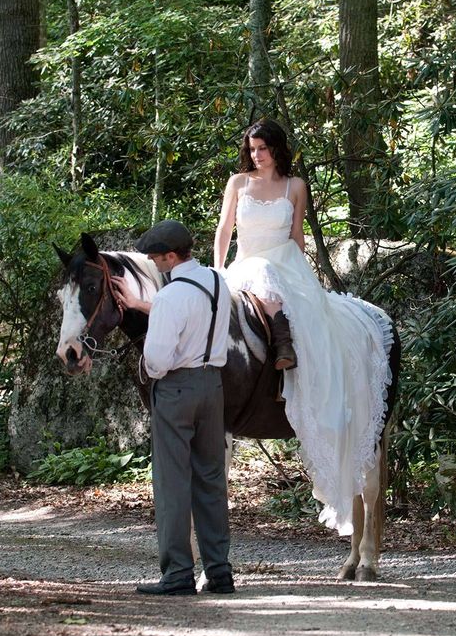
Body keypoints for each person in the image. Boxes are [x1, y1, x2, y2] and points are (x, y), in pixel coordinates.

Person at [213, 119, 394, 536]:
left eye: (263, 148)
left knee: (290, 302)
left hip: (284, 263)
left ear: (277, 148)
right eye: (252, 148)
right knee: (255, 281)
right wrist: (218, 270)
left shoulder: (295, 185)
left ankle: (287, 350)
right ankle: (270, 352)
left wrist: (302, 279)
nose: (256, 155)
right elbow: (225, 230)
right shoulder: (237, 183)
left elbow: (296, 236)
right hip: (246, 264)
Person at [115, 219, 235, 596]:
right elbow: (199, 317)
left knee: (171, 484)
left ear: (171, 255)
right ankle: (219, 572)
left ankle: (178, 574)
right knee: (211, 480)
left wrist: (150, 366)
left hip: (176, 389)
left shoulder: (169, 297)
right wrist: (139, 304)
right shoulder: (218, 282)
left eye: (157, 257)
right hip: (212, 386)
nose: (153, 262)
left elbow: (157, 360)